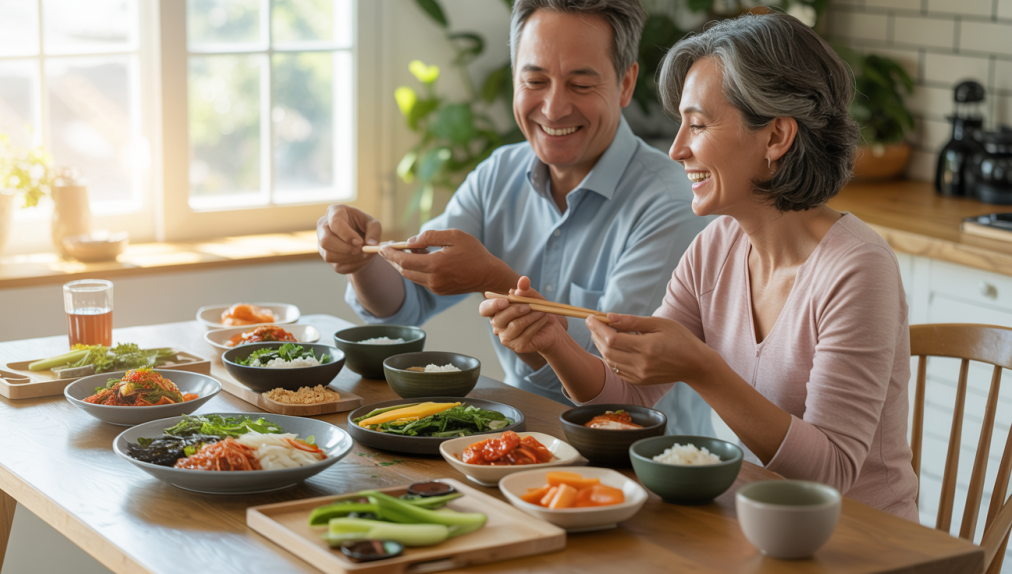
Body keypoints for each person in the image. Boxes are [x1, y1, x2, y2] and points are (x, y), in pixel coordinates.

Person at [480, 12, 919, 520]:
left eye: (699, 124)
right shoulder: (716, 247)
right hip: (755, 519)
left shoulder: (857, 268)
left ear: (776, 137)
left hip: (865, 542)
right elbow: (627, 395)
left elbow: (833, 473)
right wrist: (552, 340)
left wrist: (703, 368)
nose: (677, 148)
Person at [317, 0, 713, 434]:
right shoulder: (498, 174)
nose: (554, 107)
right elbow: (402, 305)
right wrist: (360, 260)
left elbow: (616, 384)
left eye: (580, 85)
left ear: (625, 83)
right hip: (518, 440)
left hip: (643, 456)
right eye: (535, 80)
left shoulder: (670, 204)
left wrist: (494, 278)